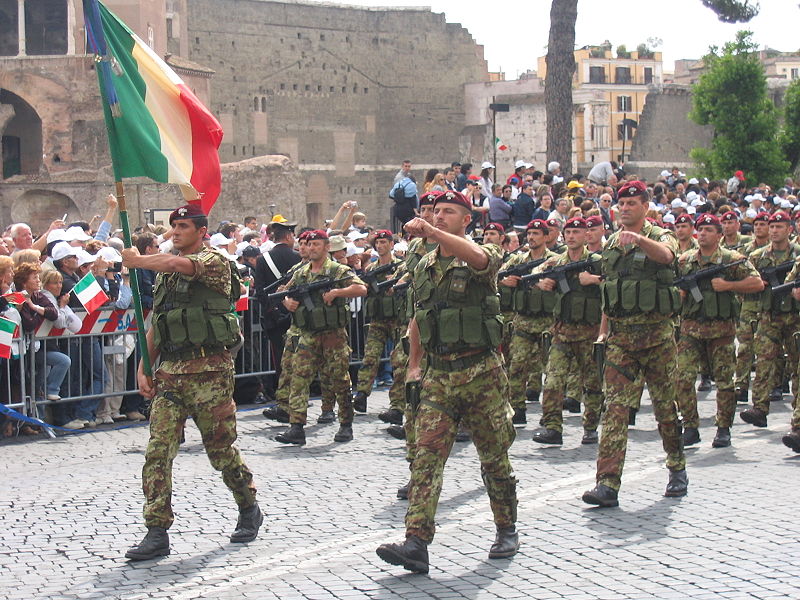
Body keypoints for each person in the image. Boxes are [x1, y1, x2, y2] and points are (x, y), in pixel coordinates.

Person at [376, 190, 519, 574]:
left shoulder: (484, 252)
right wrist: (414, 363)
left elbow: (478, 260)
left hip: (480, 373)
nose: (438, 217)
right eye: (435, 212)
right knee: (426, 459)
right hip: (439, 375)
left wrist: (434, 235)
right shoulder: (423, 265)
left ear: (466, 220)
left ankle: (506, 528)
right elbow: (422, 316)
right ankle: (416, 542)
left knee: (493, 457)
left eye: (448, 212)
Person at [121, 204, 261, 561]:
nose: (177, 231)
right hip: (171, 373)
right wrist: (143, 367)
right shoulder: (166, 275)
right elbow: (159, 323)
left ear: (202, 230)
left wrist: (137, 261)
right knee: (158, 451)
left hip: (210, 372)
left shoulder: (215, 262)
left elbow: (173, 263)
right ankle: (156, 531)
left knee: (220, 451)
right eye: (174, 226)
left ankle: (248, 506)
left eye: (183, 226)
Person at [582, 181, 687, 508]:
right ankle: (607, 483)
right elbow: (609, 293)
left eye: (631, 203)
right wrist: (603, 331)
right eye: (621, 204)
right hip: (621, 340)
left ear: (645, 206)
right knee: (614, 409)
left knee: (665, 407)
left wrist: (640, 239)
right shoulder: (612, 244)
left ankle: (677, 467)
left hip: (656, 338)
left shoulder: (660, 235)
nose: (624, 208)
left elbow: (668, 257)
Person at [674, 214, 763, 448]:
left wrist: (729, 286)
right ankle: (690, 426)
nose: (703, 234)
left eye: (708, 230)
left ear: (719, 234)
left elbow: (757, 283)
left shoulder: (730, 259)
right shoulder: (685, 260)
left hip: (720, 330)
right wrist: (680, 295)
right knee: (682, 378)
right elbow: (673, 289)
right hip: (690, 329)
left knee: (724, 382)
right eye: (700, 229)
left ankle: (723, 428)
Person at [274, 230, 367, 445]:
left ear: (326, 247)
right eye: (310, 244)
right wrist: (287, 302)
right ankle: (296, 427)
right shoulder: (301, 273)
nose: (313, 248)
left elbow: (361, 288)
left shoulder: (337, 270)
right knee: (299, 378)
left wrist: (336, 293)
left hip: (333, 335)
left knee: (339, 380)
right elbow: (284, 292)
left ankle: (346, 423)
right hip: (307, 334)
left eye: (317, 244)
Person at [531, 217, 604, 445]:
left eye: (577, 232)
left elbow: (615, 285)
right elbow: (534, 271)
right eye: (568, 232)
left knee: (592, 383)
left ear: (586, 235)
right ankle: (552, 428)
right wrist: (539, 283)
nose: (572, 236)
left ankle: (590, 427)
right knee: (552, 381)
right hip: (561, 333)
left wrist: (594, 280)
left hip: (589, 334)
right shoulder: (556, 262)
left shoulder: (596, 261)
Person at [740, 211, 800, 429]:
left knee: (797, 365)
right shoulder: (758, 256)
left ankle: (798, 416)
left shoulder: (797, 255)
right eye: (772, 227)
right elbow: (745, 283)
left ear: (789, 230)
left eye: (779, 227)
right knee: (764, 361)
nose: (774, 231)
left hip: (795, 318)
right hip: (768, 316)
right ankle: (759, 408)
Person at [498, 219, 558, 419]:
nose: (531, 237)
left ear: (546, 237)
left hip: (547, 321)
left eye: (536, 234)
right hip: (523, 320)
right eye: (529, 234)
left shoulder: (555, 259)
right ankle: (517, 409)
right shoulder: (519, 260)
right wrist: (503, 280)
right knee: (517, 366)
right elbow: (496, 273)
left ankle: (550, 417)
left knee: (551, 370)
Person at [353, 230, 404, 421]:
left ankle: (398, 404)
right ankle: (362, 394)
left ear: (391, 244)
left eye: (384, 242)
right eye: (378, 243)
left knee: (399, 360)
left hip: (397, 319)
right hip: (377, 320)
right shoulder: (370, 269)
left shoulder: (400, 267)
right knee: (370, 357)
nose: (380, 246)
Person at [735, 212, 770, 403]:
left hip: (772, 304)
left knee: (769, 349)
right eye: (756, 224)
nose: (759, 228)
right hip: (749, 303)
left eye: (763, 224)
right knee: (745, 347)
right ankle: (741, 385)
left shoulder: (790, 250)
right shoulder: (747, 251)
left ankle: (773, 384)